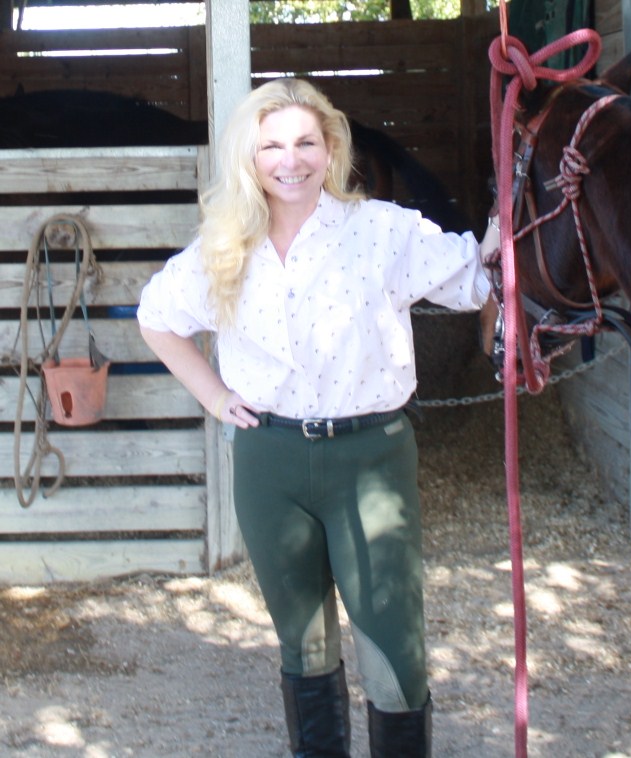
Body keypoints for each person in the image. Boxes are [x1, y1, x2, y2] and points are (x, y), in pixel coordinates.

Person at [137, 77, 498, 757]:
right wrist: (215, 397)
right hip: (269, 462)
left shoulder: (382, 231)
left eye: (306, 142)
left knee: (392, 647)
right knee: (301, 641)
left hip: (370, 460)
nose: (290, 160)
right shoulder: (224, 246)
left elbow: (478, 277)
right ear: (249, 158)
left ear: (330, 149)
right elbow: (157, 318)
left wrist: (509, 230)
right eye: (271, 146)